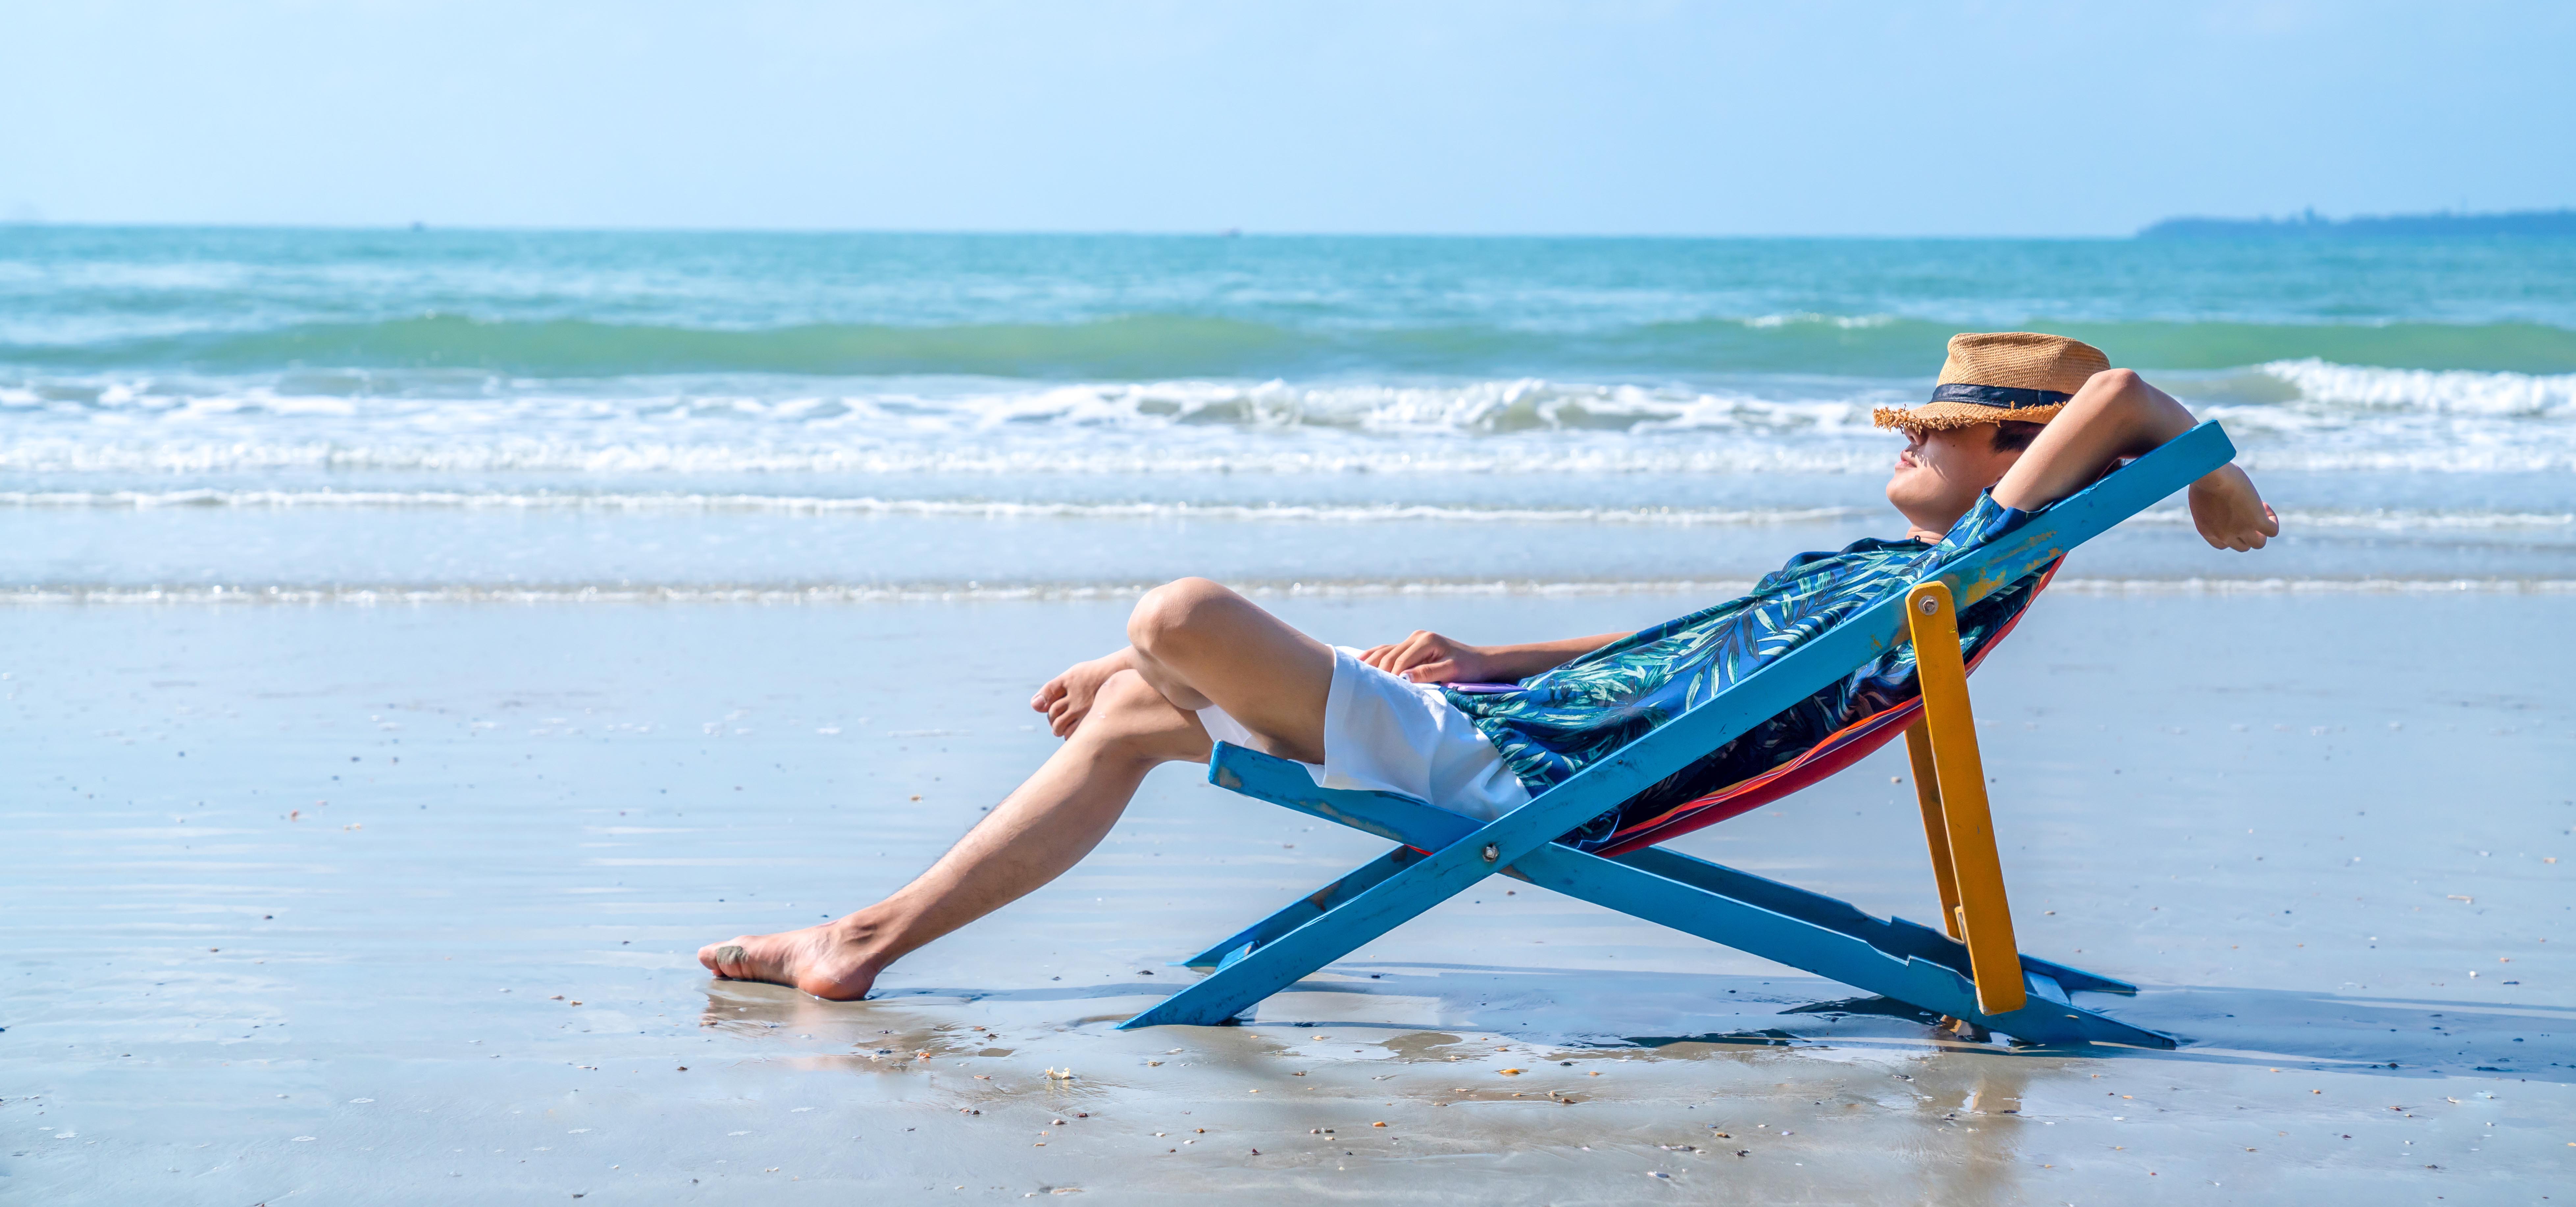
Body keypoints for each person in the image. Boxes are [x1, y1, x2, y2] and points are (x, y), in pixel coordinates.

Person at [699, 332, 2277, 998]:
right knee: (1129, 706)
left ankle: (882, 915)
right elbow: (1690, 658)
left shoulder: (1955, 567)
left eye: (1943, 425)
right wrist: (1485, 654)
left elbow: (2122, 396)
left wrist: (2204, 469)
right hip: (1501, 725)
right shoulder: (1878, 572)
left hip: (1513, 776)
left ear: (2013, 461)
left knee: (1171, 616)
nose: (1912, 434)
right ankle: (862, 938)